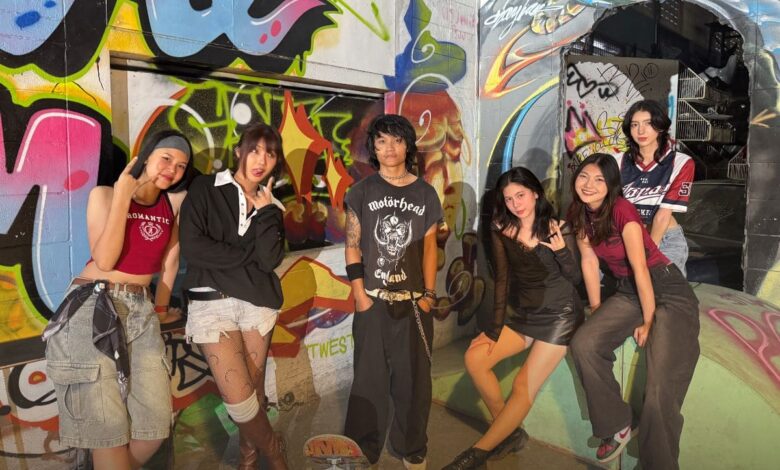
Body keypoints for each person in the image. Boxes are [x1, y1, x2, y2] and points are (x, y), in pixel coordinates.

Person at [43, 130, 192, 470]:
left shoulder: (171, 205)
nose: (172, 169)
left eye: (181, 165)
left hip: (141, 312)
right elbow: (106, 259)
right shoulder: (104, 194)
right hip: (93, 306)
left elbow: (170, 261)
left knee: (155, 426)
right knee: (107, 433)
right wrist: (124, 197)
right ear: (146, 156)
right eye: (166, 158)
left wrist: (160, 309)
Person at [443, 167, 583, 469]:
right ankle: (510, 434)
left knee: (521, 385)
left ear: (536, 194)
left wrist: (561, 251)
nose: (515, 204)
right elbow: (502, 279)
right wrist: (494, 329)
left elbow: (575, 278)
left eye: (520, 195)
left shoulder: (557, 227)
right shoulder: (501, 228)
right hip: (526, 313)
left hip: (560, 314)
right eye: (508, 199)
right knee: (475, 358)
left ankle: (475, 455)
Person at [568, 153, 700, 469]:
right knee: (584, 343)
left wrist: (649, 319)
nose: (589, 185)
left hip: (666, 288)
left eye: (599, 179)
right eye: (584, 176)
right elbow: (589, 261)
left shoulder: (622, 210)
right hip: (629, 291)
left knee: (659, 388)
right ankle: (617, 423)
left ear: (611, 184)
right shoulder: (579, 214)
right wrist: (597, 308)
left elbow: (641, 268)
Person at [179, 123, 288, 470]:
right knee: (238, 397)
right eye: (254, 150)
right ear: (239, 151)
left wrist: (267, 211)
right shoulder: (205, 188)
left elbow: (268, 260)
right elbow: (194, 248)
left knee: (254, 391)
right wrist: (247, 257)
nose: (261, 160)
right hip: (211, 304)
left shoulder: (273, 207)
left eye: (270, 154)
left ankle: (248, 457)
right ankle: (275, 451)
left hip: (257, 305)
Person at [343, 114, 442, 470]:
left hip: (413, 304)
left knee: (413, 382)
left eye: (397, 140)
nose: (389, 148)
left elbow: (430, 249)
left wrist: (429, 295)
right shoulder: (361, 192)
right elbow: (352, 245)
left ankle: (411, 445)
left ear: (407, 146)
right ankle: (362, 448)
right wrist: (360, 295)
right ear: (373, 147)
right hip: (373, 301)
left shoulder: (425, 193)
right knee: (367, 380)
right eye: (382, 141)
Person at [618, 99, 695, 275]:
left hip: (664, 239)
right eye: (634, 125)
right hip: (626, 238)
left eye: (648, 123)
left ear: (660, 126)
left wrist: (648, 253)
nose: (641, 130)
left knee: (665, 290)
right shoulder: (618, 162)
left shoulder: (681, 162)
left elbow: (663, 215)